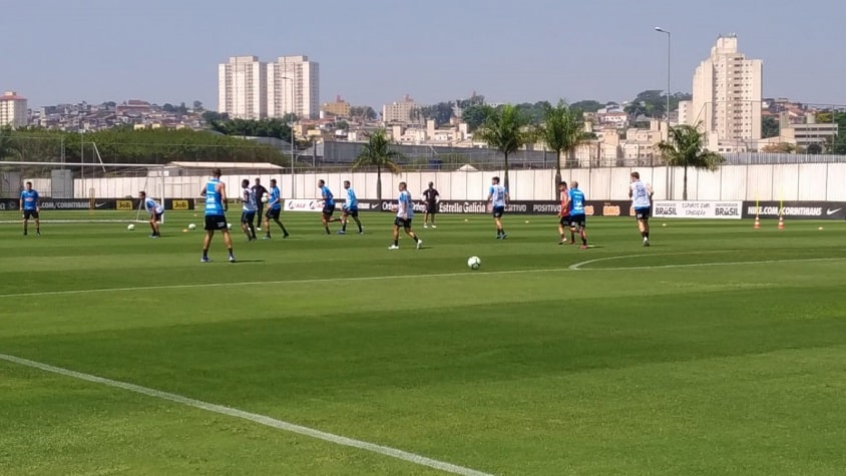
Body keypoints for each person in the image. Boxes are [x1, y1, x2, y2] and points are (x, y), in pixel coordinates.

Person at [200, 168, 235, 263]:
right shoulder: (221, 184)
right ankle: (231, 255)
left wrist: (209, 196)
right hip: (217, 211)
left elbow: (202, 193)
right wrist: (226, 205)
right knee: (225, 232)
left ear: (212, 174)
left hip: (208, 212)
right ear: (220, 174)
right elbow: (224, 198)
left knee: (209, 233)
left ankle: (204, 256)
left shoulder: (208, 184)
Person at [389, 182, 422, 250]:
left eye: (399, 186)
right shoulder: (408, 193)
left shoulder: (402, 194)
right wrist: (397, 208)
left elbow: (404, 203)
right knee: (408, 230)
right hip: (409, 214)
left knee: (396, 228)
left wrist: (403, 212)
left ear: (402, 187)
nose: (398, 188)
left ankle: (395, 245)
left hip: (402, 215)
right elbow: (404, 203)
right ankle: (418, 241)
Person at [629, 171, 654, 247]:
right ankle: (647, 238)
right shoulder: (645, 183)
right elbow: (652, 191)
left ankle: (644, 238)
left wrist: (632, 194)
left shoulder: (632, 185)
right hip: (646, 205)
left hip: (638, 205)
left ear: (633, 177)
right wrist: (649, 197)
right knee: (646, 221)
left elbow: (630, 195)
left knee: (640, 221)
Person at [568, 181, 588, 249]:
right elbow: (583, 202)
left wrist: (563, 210)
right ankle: (584, 244)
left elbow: (569, 200)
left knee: (571, 228)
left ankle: (578, 231)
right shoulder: (581, 193)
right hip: (582, 213)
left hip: (574, 213)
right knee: (582, 229)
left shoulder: (570, 192)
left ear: (571, 186)